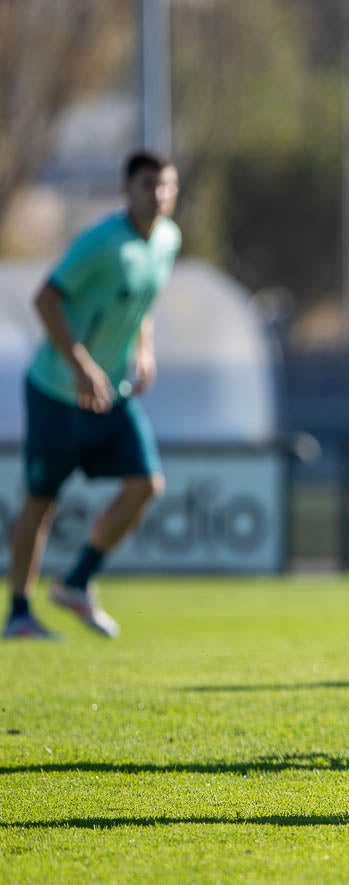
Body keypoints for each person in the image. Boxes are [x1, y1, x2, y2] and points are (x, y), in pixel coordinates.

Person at [5, 149, 181, 640]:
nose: (160, 194)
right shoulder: (101, 243)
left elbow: (141, 301)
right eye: (149, 184)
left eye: (168, 185)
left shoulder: (168, 240)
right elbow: (45, 298)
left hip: (112, 394)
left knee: (147, 483)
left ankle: (77, 581)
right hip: (57, 391)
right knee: (42, 501)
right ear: (127, 190)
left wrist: (144, 349)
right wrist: (80, 365)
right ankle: (19, 611)